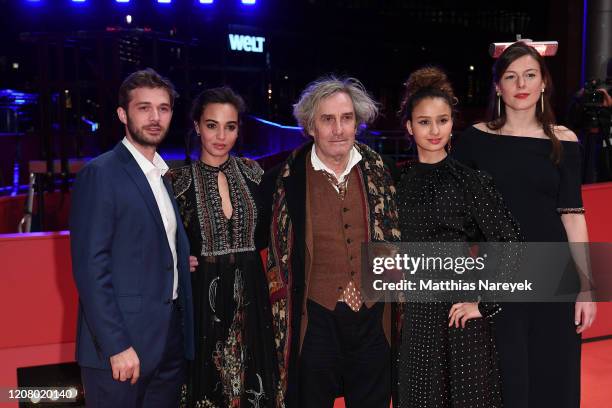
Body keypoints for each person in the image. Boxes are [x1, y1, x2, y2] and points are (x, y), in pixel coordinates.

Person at [453, 41, 597, 408]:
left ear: (543, 83)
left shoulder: (564, 141)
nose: (522, 84)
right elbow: (458, 219)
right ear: (498, 86)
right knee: (504, 384)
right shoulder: (473, 141)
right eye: (511, 76)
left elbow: (573, 216)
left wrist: (586, 288)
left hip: (554, 278)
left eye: (530, 75)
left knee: (554, 379)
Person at [260, 76, 401, 408]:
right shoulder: (281, 181)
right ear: (311, 126)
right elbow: (251, 242)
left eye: (347, 118)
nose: (339, 129)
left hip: (373, 319)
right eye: (328, 119)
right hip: (315, 320)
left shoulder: (384, 172)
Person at [394, 67, 522, 408]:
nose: (435, 131)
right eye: (424, 122)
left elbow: (510, 246)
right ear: (409, 126)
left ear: (453, 123)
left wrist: (484, 303)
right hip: (415, 319)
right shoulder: (395, 182)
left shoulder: (471, 182)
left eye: (443, 120)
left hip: (458, 318)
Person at [70, 68, 194, 407]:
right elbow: (90, 269)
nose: (155, 117)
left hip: (167, 342)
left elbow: (141, 244)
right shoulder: (101, 174)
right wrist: (117, 345)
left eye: (164, 108)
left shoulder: (163, 175)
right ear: (123, 114)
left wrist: (179, 260)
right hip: (121, 350)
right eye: (144, 108)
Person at [168, 87, 278, 407]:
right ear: (196, 126)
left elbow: (276, 231)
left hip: (252, 297)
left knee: (253, 386)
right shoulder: (176, 181)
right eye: (212, 125)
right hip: (203, 299)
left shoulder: (254, 173)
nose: (221, 136)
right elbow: (159, 240)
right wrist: (174, 260)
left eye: (230, 127)